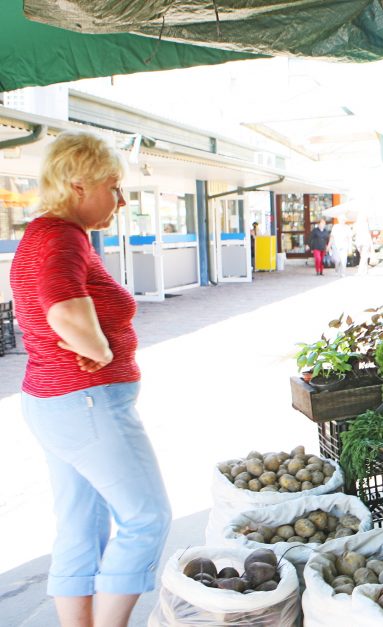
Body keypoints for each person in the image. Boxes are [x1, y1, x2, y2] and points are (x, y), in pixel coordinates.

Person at [9, 131, 172, 627]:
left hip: (55, 402)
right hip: (84, 403)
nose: (121, 200)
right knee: (148, 518)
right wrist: (98, 348)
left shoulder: (44, 233)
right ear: (78, 185)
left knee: (81, 527)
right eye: (113, 186)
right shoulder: (61, 236)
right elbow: (61, 307)